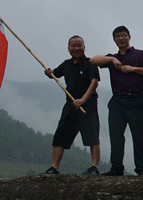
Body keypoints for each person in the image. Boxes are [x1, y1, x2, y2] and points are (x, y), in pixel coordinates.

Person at [90, 26, 143, 176]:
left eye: (124, 35)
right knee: (116, 136)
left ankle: (142, 169)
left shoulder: (140, 54)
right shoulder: (111, 58)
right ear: (114, 40)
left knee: (138, 135)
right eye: (118, 36)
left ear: (129, 37)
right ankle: (116, 168)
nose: (121, 38)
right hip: (117, 100)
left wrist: (134, 69)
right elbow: (93, 60)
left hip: (137, 99)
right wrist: (112, 59)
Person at [41, 35, 101, 175]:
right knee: (60, 136)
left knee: (92, 137)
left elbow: (94, 83)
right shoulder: (66, 64)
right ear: (68, 48)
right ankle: (54, 168)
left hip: (88, 105)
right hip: (70, 105)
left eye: (79, 45)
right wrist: (48, 73)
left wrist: (83, 100)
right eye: (73, 45)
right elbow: (55, 74)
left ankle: (94, 167)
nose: (76, 48)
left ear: (84, 47)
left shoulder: (91, 63)